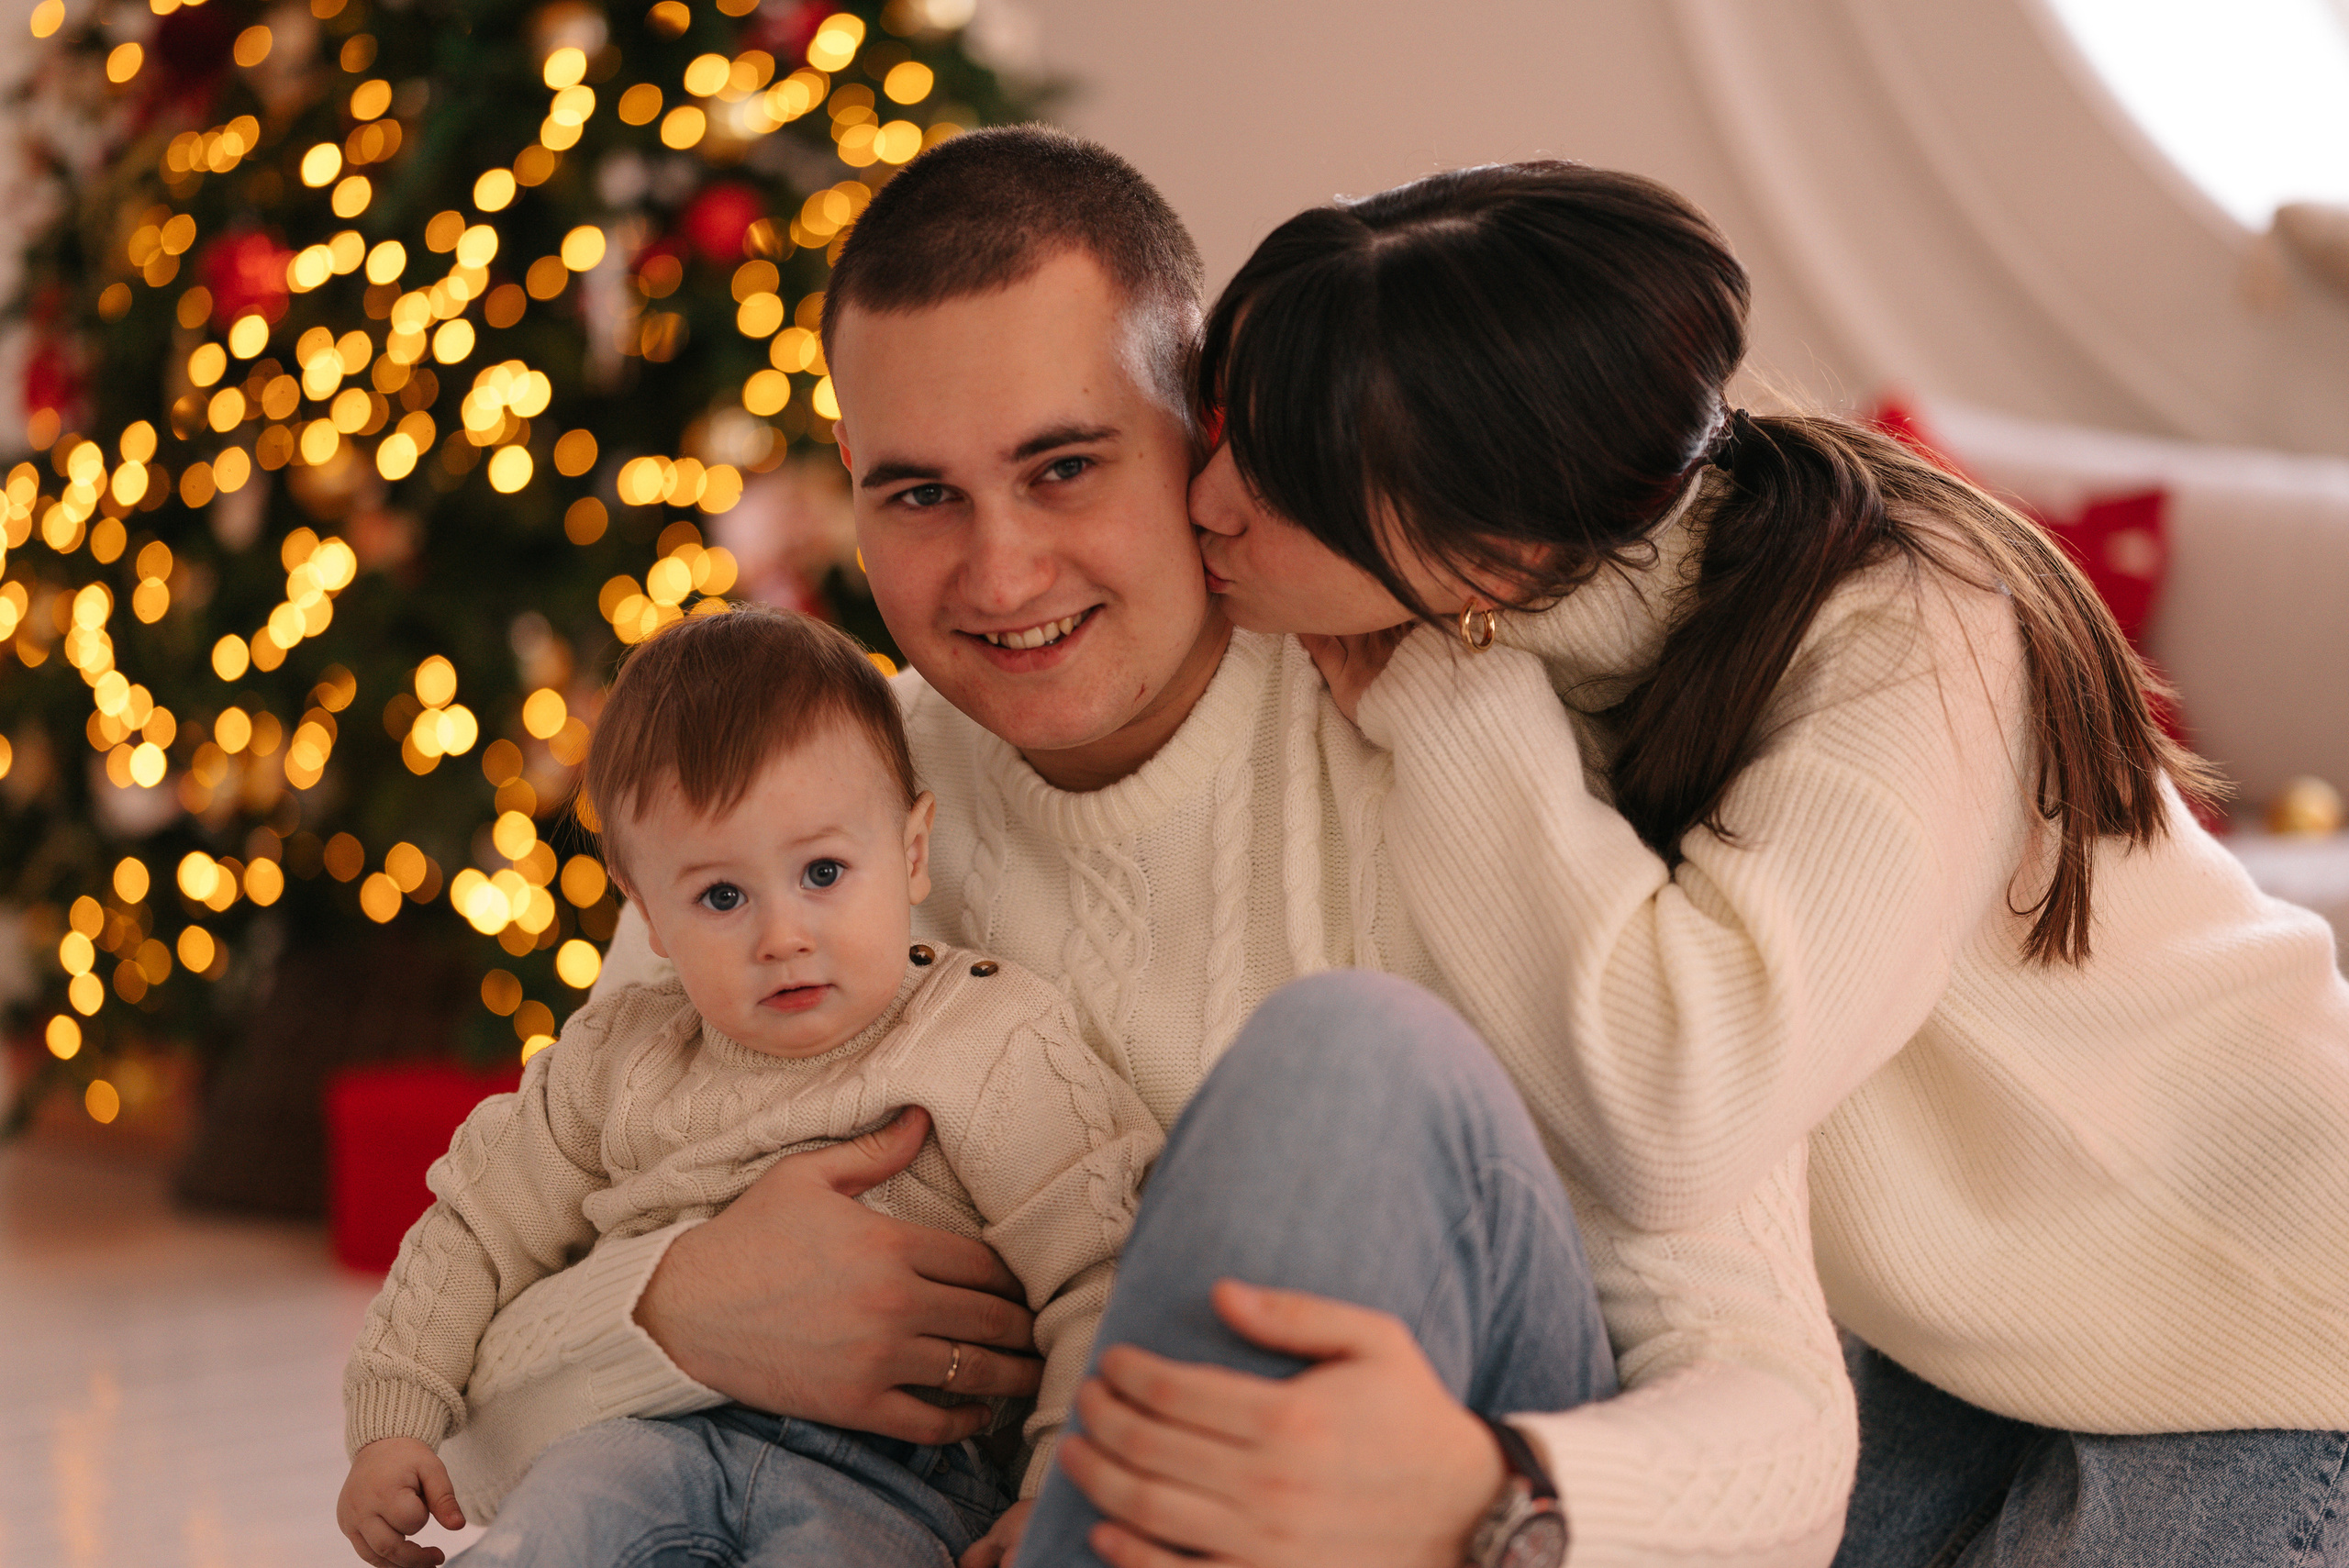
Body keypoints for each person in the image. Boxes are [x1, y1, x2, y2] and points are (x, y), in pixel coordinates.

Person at [443, 129, 1860, 1567]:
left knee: (1349, 1056)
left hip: (1449, 1492)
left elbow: (1791, 1435)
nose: (999, 576)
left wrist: (1488, 1487)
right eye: (920, 494)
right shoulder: (803, 808)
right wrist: (672, 1313)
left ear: (1207, 438)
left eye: (1062, 467)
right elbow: (456, 1418)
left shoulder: (1457, 750)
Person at [1183, 160, 2349, 1565]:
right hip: (1970, 1351)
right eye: (1218, 424)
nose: (1208, 499)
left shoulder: (1910, 623)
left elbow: (1685, 1109)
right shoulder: (1519, 609)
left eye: (1282, 470)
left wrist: (1453, 699)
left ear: (1501, 540)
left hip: (2269, 1316)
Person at [334, 606, 1163, 1568]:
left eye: (821, 870)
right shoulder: (616, 1058)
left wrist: (1064, 1486)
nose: (781, 934)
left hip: (901, 1474)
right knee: (551, 1534)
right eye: (722, 896)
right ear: (646, 909)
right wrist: (393, 1417)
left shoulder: (991, 1038)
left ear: (908, 849)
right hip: (641, 1431)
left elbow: (1102, 1266)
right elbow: (475, 1224)